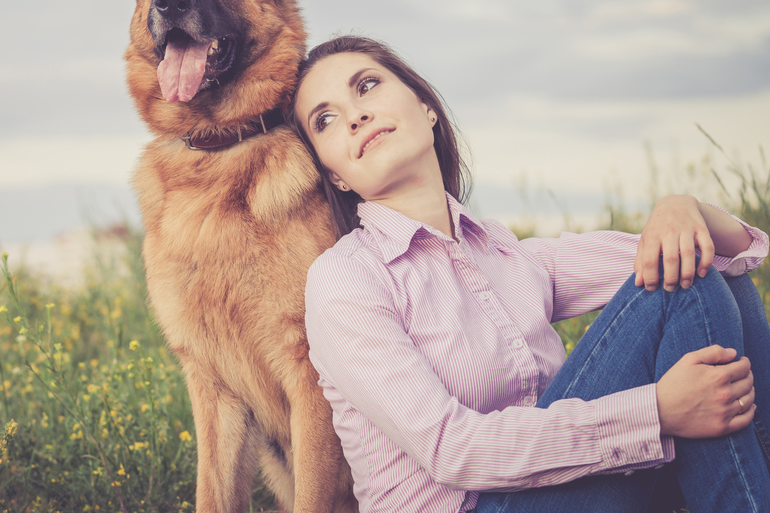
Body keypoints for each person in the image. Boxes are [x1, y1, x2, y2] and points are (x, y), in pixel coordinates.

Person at [288, 35, 770, 513]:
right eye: (325, 120)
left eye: (367, 86)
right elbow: (451, 450)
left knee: (695, 270)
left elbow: (728, 256)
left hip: (563, 491)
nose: (355, 116)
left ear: (425, 107)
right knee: (686, 279)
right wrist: (659, 411)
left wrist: (681, 208)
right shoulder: (347, 280)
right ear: (335, 176)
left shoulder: (508, 255)